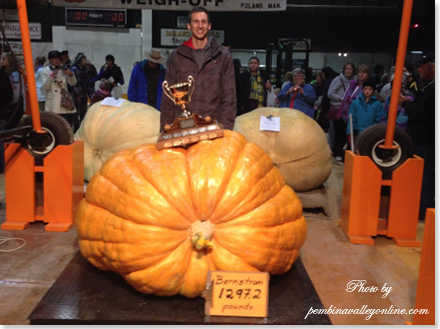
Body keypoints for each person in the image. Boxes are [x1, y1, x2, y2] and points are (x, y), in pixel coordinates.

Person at [160, 6, 236, 130]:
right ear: (189, 26)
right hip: (184, 127)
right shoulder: (177, 56)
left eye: (203, 22)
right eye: (196, 21)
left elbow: (229, 98)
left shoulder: (223, 56)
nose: (200, 26)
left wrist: (226, 130)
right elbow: (168, 99)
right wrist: (165, 129)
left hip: (212, 127)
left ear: (209, 25)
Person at [399, 51, 435, 220]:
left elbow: (420, 113)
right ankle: (421, 206)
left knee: (425, 177)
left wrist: (406, 103)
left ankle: (425, 209)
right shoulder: (426, 87)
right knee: (421, 176)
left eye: (422, 66)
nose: (419, 70)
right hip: (420, 140)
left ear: (433, 67)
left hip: (426, 141)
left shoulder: (434, 90)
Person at [327, 62, 356, 162]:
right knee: (338, 132)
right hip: (339, 109)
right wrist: (342, 99)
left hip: (350, 110)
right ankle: (337, 152)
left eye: (350, 69)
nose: (348, 71)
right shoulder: (338, 79)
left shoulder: (355, 81)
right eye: (346, 69)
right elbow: (330, 93)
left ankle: (345, 153)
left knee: (347, 132)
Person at [41, 50, 77, 129]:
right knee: (54, 126)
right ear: (50, 60)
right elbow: (45, 87)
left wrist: (71, 75)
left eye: (58, 59)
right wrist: (51, 76)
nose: (57, 61)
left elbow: (73, 83)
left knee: (66, 125)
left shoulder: (64, 69)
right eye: (54, 58)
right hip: (52, 102)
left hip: (64, 101)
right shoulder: (45, 71)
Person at [346, 77, 384, 146]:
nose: (367, 91)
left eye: (370, 89)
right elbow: (351, 119)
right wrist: (349, 132)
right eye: (365, 89)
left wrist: (376, 133)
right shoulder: (355, 103)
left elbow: (379, 120)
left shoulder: (378, 104)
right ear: (362, 90)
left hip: (371, 133)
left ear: (373, 91)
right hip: (356, 132)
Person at [71, 52, 97, 128]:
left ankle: (82, 127)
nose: (84, 60)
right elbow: (73, 84)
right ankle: (76, 128)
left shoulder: (86, 69)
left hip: (85, 93)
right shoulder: (74, 69)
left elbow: (95, 75)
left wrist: (92, 66)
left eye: (85, 59)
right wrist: (77, 95)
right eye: (83, 59)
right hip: (77, 94)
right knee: (76, 113)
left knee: (83, 112)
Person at [0, 53, 25, 130]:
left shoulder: (15, 75)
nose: (1, 61)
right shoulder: (5, 73)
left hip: (13, 106)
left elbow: (16, 92)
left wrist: (8, 104)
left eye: (4, 59)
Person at [0, 68, 13, 173]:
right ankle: (2, 167)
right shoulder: (3, 74)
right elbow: (10, 94)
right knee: (1, 139)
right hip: (2, 110)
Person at [319, 66, 338, 132]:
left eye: (322, 74)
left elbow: (327, 95)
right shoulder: (333, 79)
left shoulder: (328, 81)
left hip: (329, 106)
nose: (322, 76)